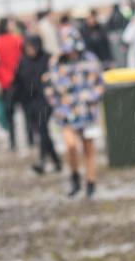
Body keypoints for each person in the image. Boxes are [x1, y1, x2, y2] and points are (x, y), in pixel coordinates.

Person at [43, 27, 104, 198]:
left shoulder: (90, 60)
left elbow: (100, 82)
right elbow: (49, 87)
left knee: (88, 148)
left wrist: (92, 97)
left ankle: (90, 182)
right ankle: (75, 177)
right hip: (66, 112)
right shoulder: (56, 63)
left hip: (87, 111)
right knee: (70, 146)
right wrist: (57, 104)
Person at [14, 35, 61, 175]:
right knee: (42, 132)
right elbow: (18, 82)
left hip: (45, 101)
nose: (30, 51)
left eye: (32, 47)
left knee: (42, 130)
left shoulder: (47, 59)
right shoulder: (23, 62)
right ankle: (56, 161)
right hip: (30, 103)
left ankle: (41, 161)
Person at [0, 17, 23, 150]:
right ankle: (31, 138)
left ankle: (12, 142)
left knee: (9, 112)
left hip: (5, 80)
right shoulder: (17, 40)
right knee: (27, 110)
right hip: (19, 79)